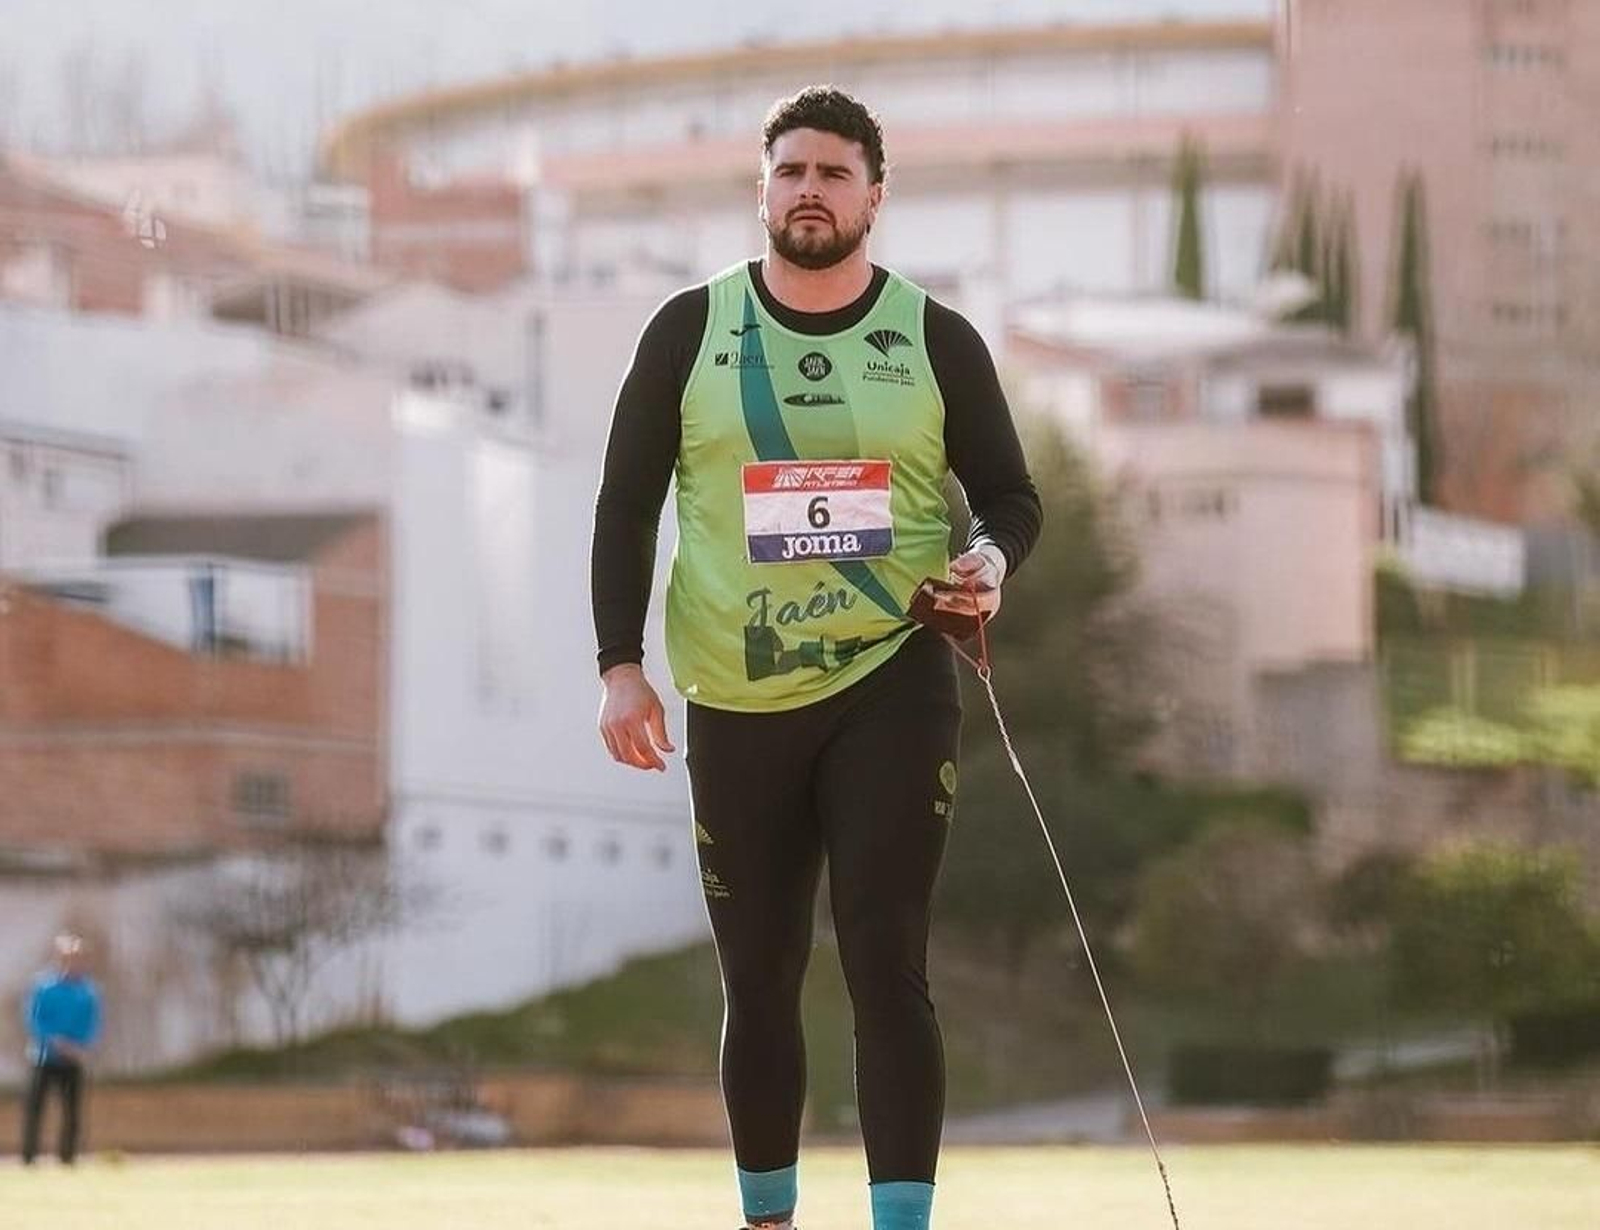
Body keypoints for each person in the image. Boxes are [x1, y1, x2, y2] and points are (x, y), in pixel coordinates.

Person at [591, 87, 1041, 1230]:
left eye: (834, 174)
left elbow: (1009, 498)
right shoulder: (689, 330)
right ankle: (767, 1219)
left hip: (890, 682)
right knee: (759, 978)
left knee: (886, 963)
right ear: (761, 191)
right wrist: (617, 664)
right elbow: (625, 504)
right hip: (735, 698)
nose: (810, 191)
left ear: (873, 198)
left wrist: (985, 564)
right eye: (790, 171)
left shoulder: (935, 337)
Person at [21, 932, 102, 1166]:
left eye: (77, 957)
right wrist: (55, 1041)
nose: (73, 961)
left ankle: (67, 1158)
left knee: (72, 1112)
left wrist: (80, 1047)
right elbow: (34, 1020)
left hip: (74, 1058)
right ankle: (29, 1157)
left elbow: (93, 1023)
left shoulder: (88, 991)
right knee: (35, 1109)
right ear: (59, 958)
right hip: (44, 1057)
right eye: (68, 957)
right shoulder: (44, 987)